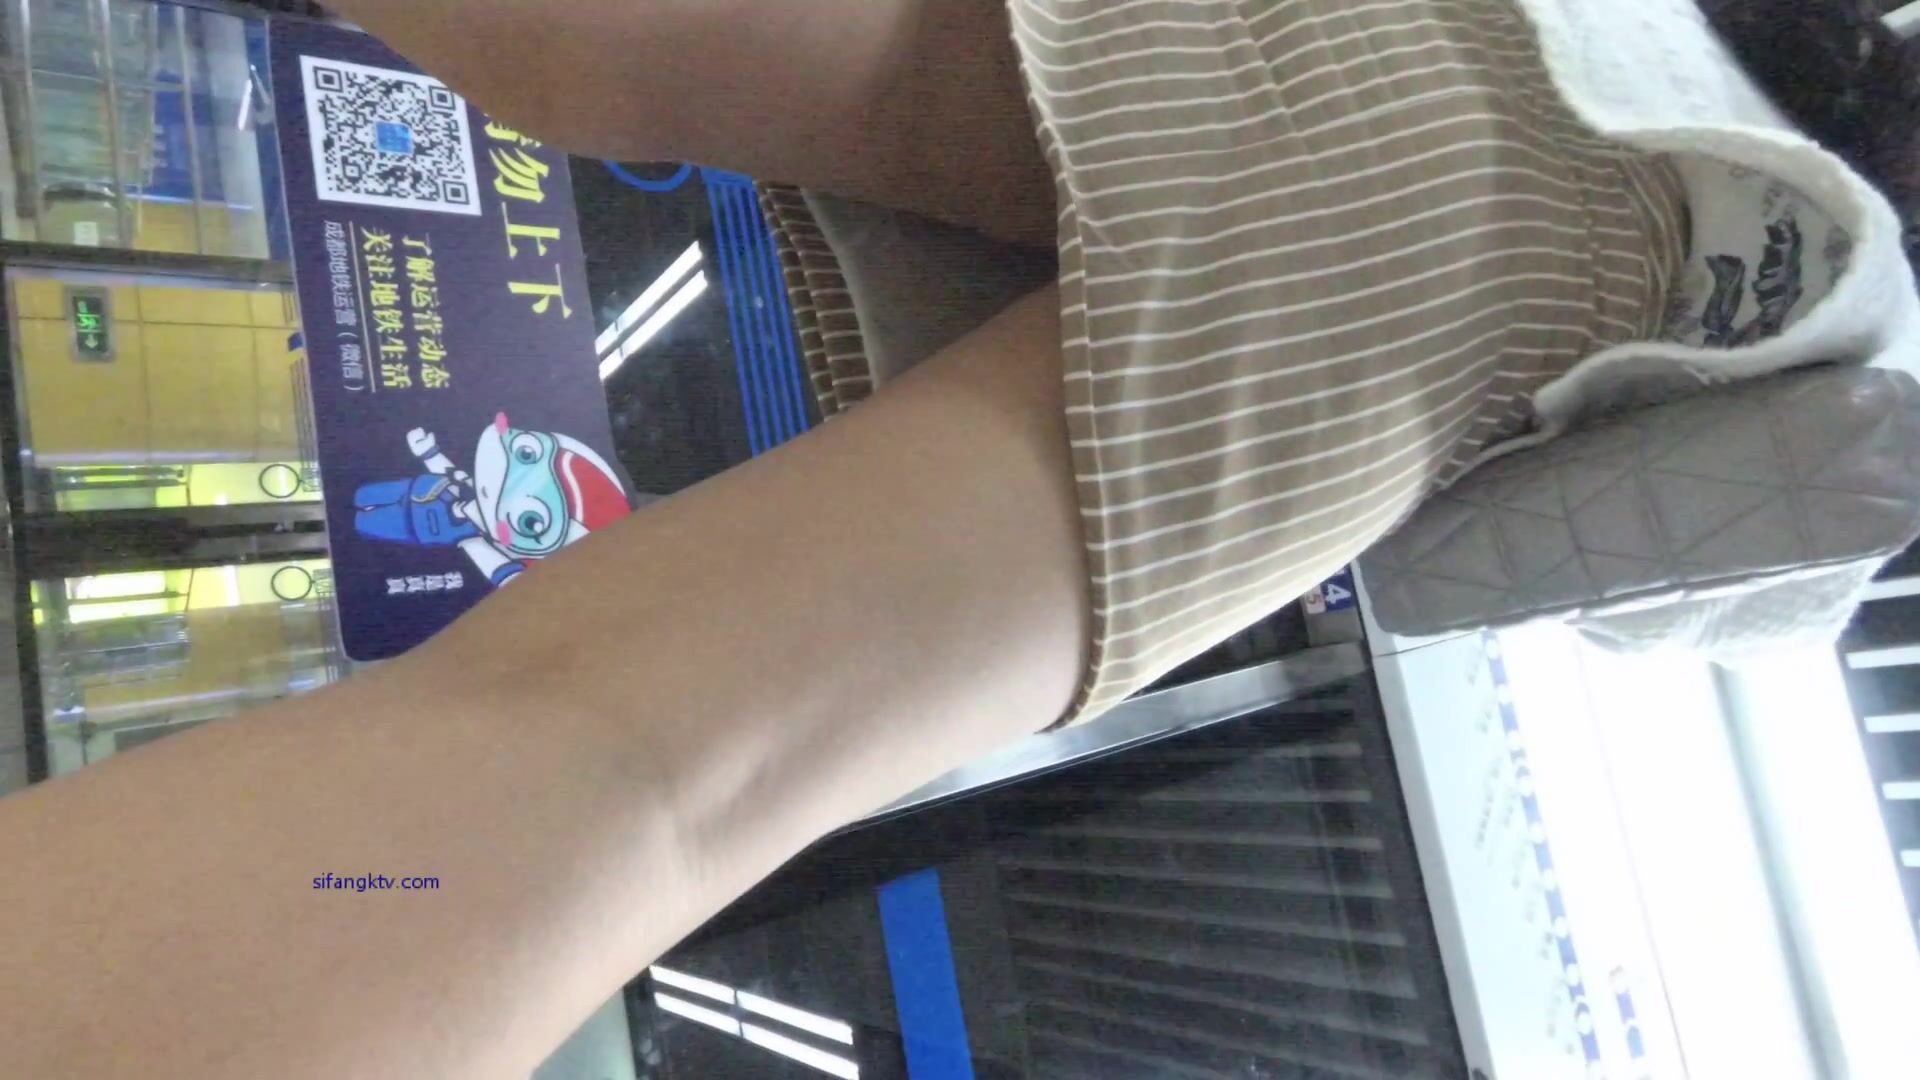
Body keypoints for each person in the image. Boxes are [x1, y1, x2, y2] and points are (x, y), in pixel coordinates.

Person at [1, 1, 1913, 1076]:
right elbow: (1725, 532)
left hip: (1478, 21)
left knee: (581, 25)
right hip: (1596, 247)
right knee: (610, 767)